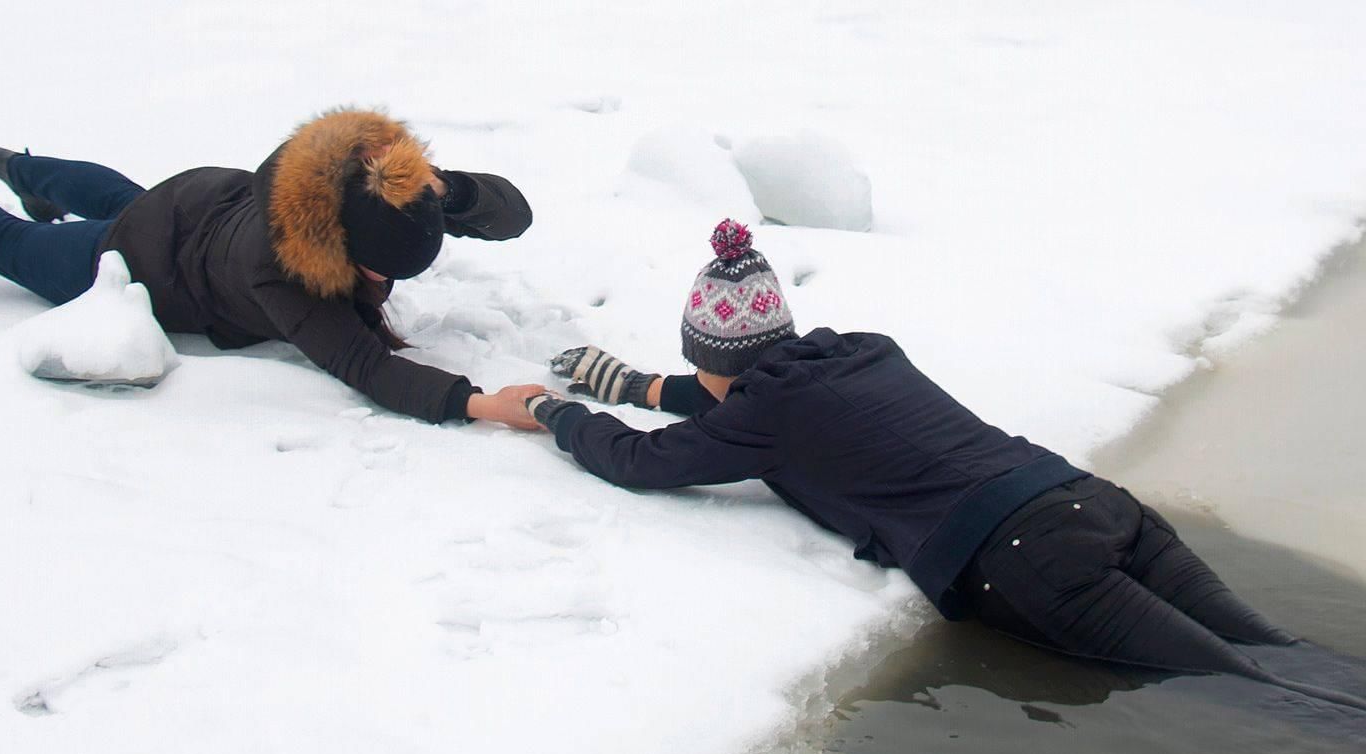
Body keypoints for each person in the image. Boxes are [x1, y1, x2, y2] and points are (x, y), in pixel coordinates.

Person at [526, 219, 1363, 704]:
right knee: (1275, 649)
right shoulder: (859, 351)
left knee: (1252, 690)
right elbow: (737, 402)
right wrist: (628, 380)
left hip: (1029, 562)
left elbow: (639, 461)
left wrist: (550, 411)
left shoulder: (763, 416)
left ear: (717, 360)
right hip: (1094, 502)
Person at [0, 107, 543, 428]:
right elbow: (363, 365)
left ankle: (25, 168)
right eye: (380, 277)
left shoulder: (366, 185)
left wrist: (452, 192)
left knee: (126, 197)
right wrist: (479, 403)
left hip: (199, 200)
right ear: (341, 248)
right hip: (147, 259)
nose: (383, 291)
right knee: (11, 247)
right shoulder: (281, 272)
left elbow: (515, 216)